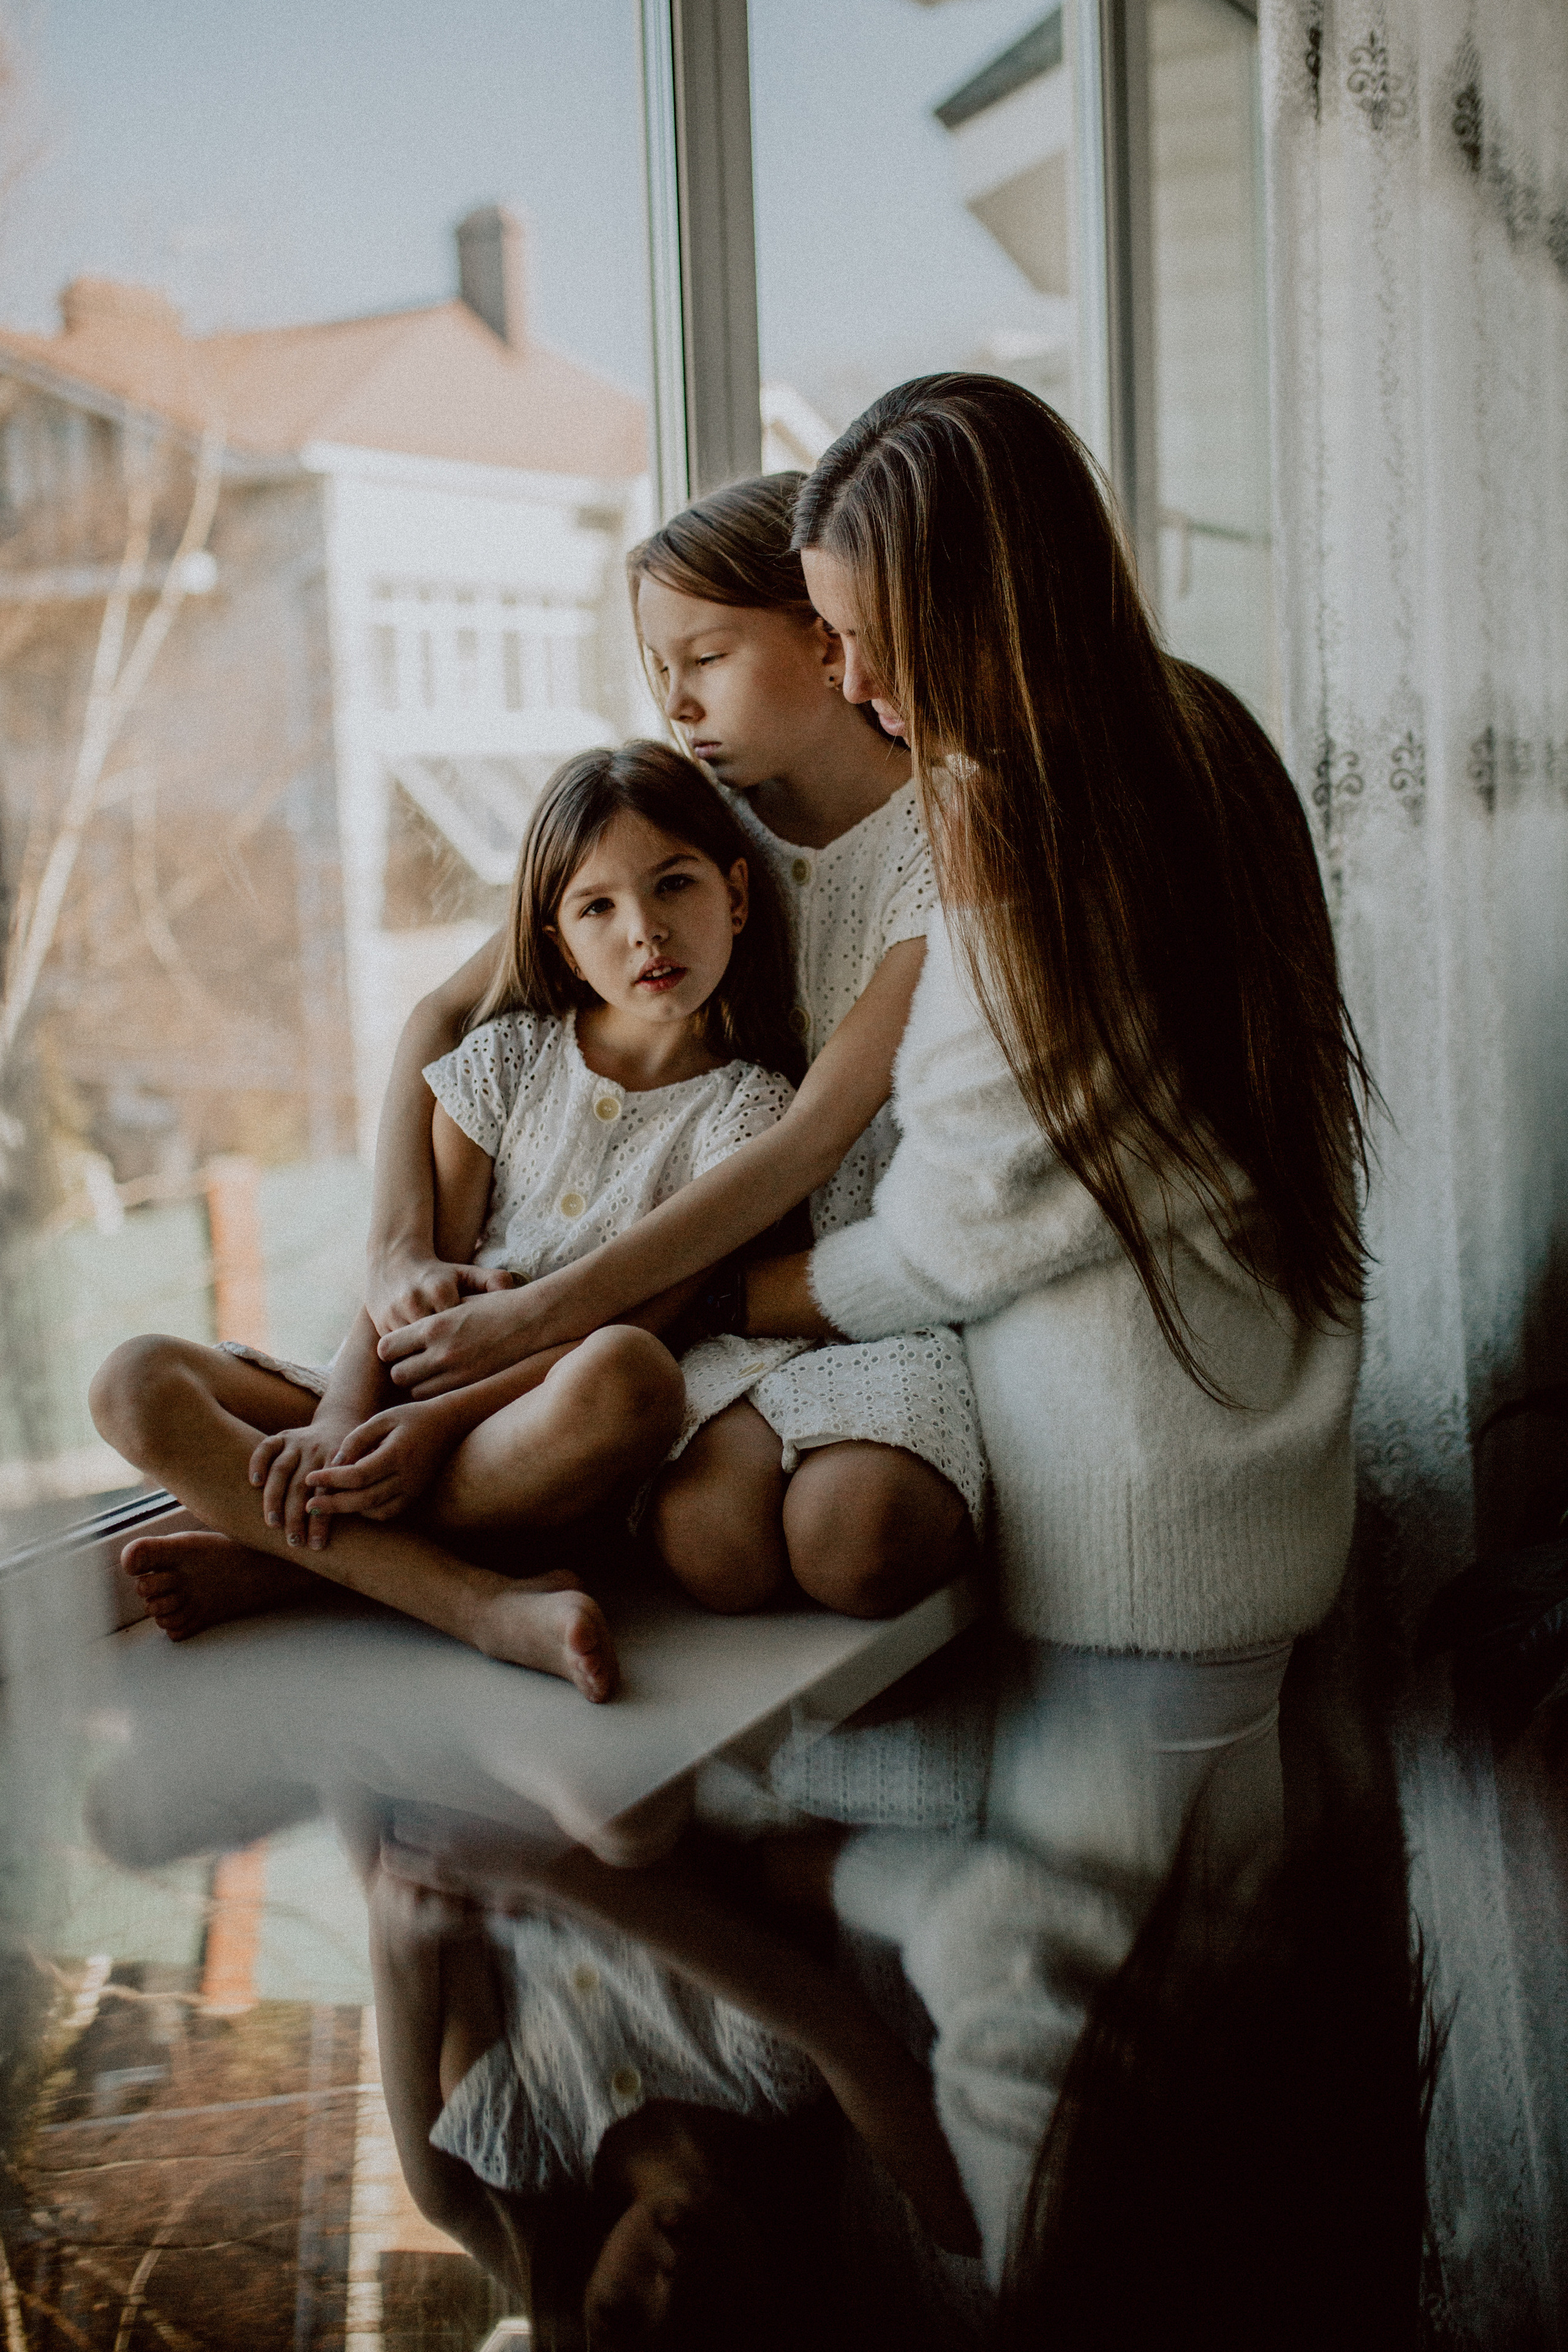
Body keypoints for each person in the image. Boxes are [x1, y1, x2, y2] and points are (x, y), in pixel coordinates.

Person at [352, 375, 1369, 2120]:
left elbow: (978, 1211)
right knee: (1194, 2055)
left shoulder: (1005, 809)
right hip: (1254, 1464)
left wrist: (733, 1295)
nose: (865, 690)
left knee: (1066, 2108)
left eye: (868, 639)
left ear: (979, 606)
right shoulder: (1200, 734)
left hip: (1132, 1500)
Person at [342, 472, 986, 1619]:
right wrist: (396, 1254)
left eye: (707, 659)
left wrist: (539, 1313)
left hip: (836, 1282)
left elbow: (803, 1148)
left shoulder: (949, 832)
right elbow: (441, 1017)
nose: (678, 705)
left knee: (854, 1543)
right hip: (679, 1298)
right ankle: (350, 1546)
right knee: (713, 1551)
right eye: (659, 672)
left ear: (829, 638)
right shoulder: (689, 823)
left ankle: (334, 1552)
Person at [91, 742, 827, 1699]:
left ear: (735, 895)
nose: (644, 932)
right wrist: (348, 1419)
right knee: (133, 1381)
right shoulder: (508, 1059)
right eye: (597, 907)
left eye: (673, 885)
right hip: (392, 1396)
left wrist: (438, 1426)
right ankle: (464, 1601)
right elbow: (407, 1272)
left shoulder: (750, 1116)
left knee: (629, 1374)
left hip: (533, 1433)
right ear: (559, 940)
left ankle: (311, 1567)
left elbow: (649, 1316)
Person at [359, 1817, 979, 2345]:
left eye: (620, 2315)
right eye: (704, 2326)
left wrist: (411, 1907)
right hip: (619, 1802)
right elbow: (818, 2012)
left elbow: (440, 1918)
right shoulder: (772, 2073)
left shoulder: (519, 2140)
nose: (670, 2280)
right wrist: (546, 1872)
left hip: (463, 1815)